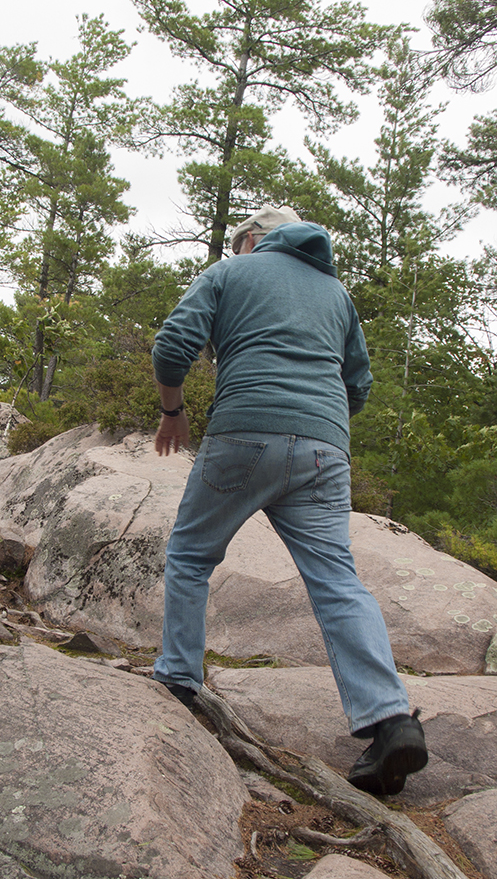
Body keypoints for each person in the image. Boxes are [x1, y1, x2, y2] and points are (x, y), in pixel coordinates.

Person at [152, 204, 428, 797]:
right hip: (327, 449)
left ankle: (177, 681)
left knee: (191, 555)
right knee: (337, 581)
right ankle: (391, 720)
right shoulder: (337, 293)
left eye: (238, 240)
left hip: (243, 432)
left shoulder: (230, 272)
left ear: (252, 238)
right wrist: (317, 425)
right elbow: (359, 384)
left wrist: (172, 411)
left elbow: (173, 345)